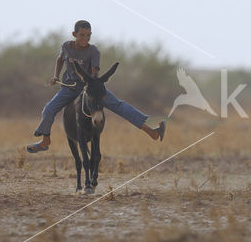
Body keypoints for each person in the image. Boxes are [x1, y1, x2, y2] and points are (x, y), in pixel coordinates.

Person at [26, 20, 165, 153]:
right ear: (74, 34)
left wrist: (91, 84)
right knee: (48, 109)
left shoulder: (94, 51)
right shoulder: (66, 46)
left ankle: (152, 131)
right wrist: (55, 76)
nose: (85, 38)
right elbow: (59, 59)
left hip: (88, 89)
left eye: (88, 35)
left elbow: (95, 73)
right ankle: (45, 141)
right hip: (68, 88)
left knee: (119, 105)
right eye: (82, 35)